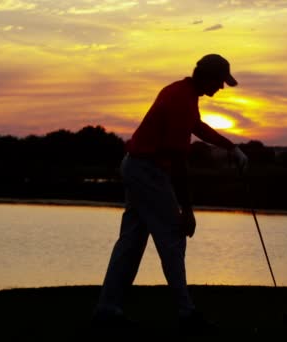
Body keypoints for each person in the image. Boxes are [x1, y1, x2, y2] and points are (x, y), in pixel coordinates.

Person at [92, 54, 249, 333]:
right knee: (174, 238)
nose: (222, 88)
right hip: (148, 171)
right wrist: (187, 211)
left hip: (137, 167)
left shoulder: (183, 92)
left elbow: (196, 127)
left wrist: (231, 147)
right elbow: (178, 164)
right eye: (220, 81)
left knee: (131, 242)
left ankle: (107, 310)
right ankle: (186, 314)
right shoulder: (180, 99)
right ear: (207, 76)